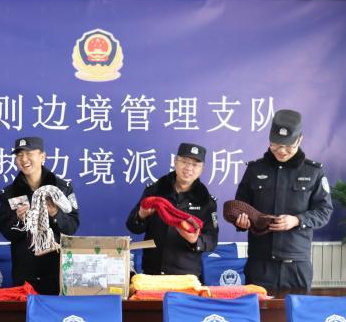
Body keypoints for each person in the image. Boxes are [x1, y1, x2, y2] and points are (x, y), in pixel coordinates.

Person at [233, 109, 333, 292]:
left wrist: (297, 220)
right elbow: (241, 207)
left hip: (296, 265)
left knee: (296, 309)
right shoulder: (255, 169)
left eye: (288, 146)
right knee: (258, 310)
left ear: (300, 140)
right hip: (260, 263)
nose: (281, 151)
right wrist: (241, 221)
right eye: (276, 145)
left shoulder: (314, 172)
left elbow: (324, 211)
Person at [0, 136, 79, 294]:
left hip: (57, 273)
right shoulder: (9, 192)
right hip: (24, 275)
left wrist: (55, 214)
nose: (24, 159)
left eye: (29, 153)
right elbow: (6, 231)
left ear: (42, 156)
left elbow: (72, 227)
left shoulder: (61, 188)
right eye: (19, 155)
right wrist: (20, 221)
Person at [126, 142, 219, 278]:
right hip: (152, 273)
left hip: (186, 276)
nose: (189, 168)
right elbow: (132, 227)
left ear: (202, 169)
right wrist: (141, 215)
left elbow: (212, 239)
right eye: (185, 162)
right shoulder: (155, 190)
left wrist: (195, 241)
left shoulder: (206, 201)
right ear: (175, 162)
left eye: (195, 165)